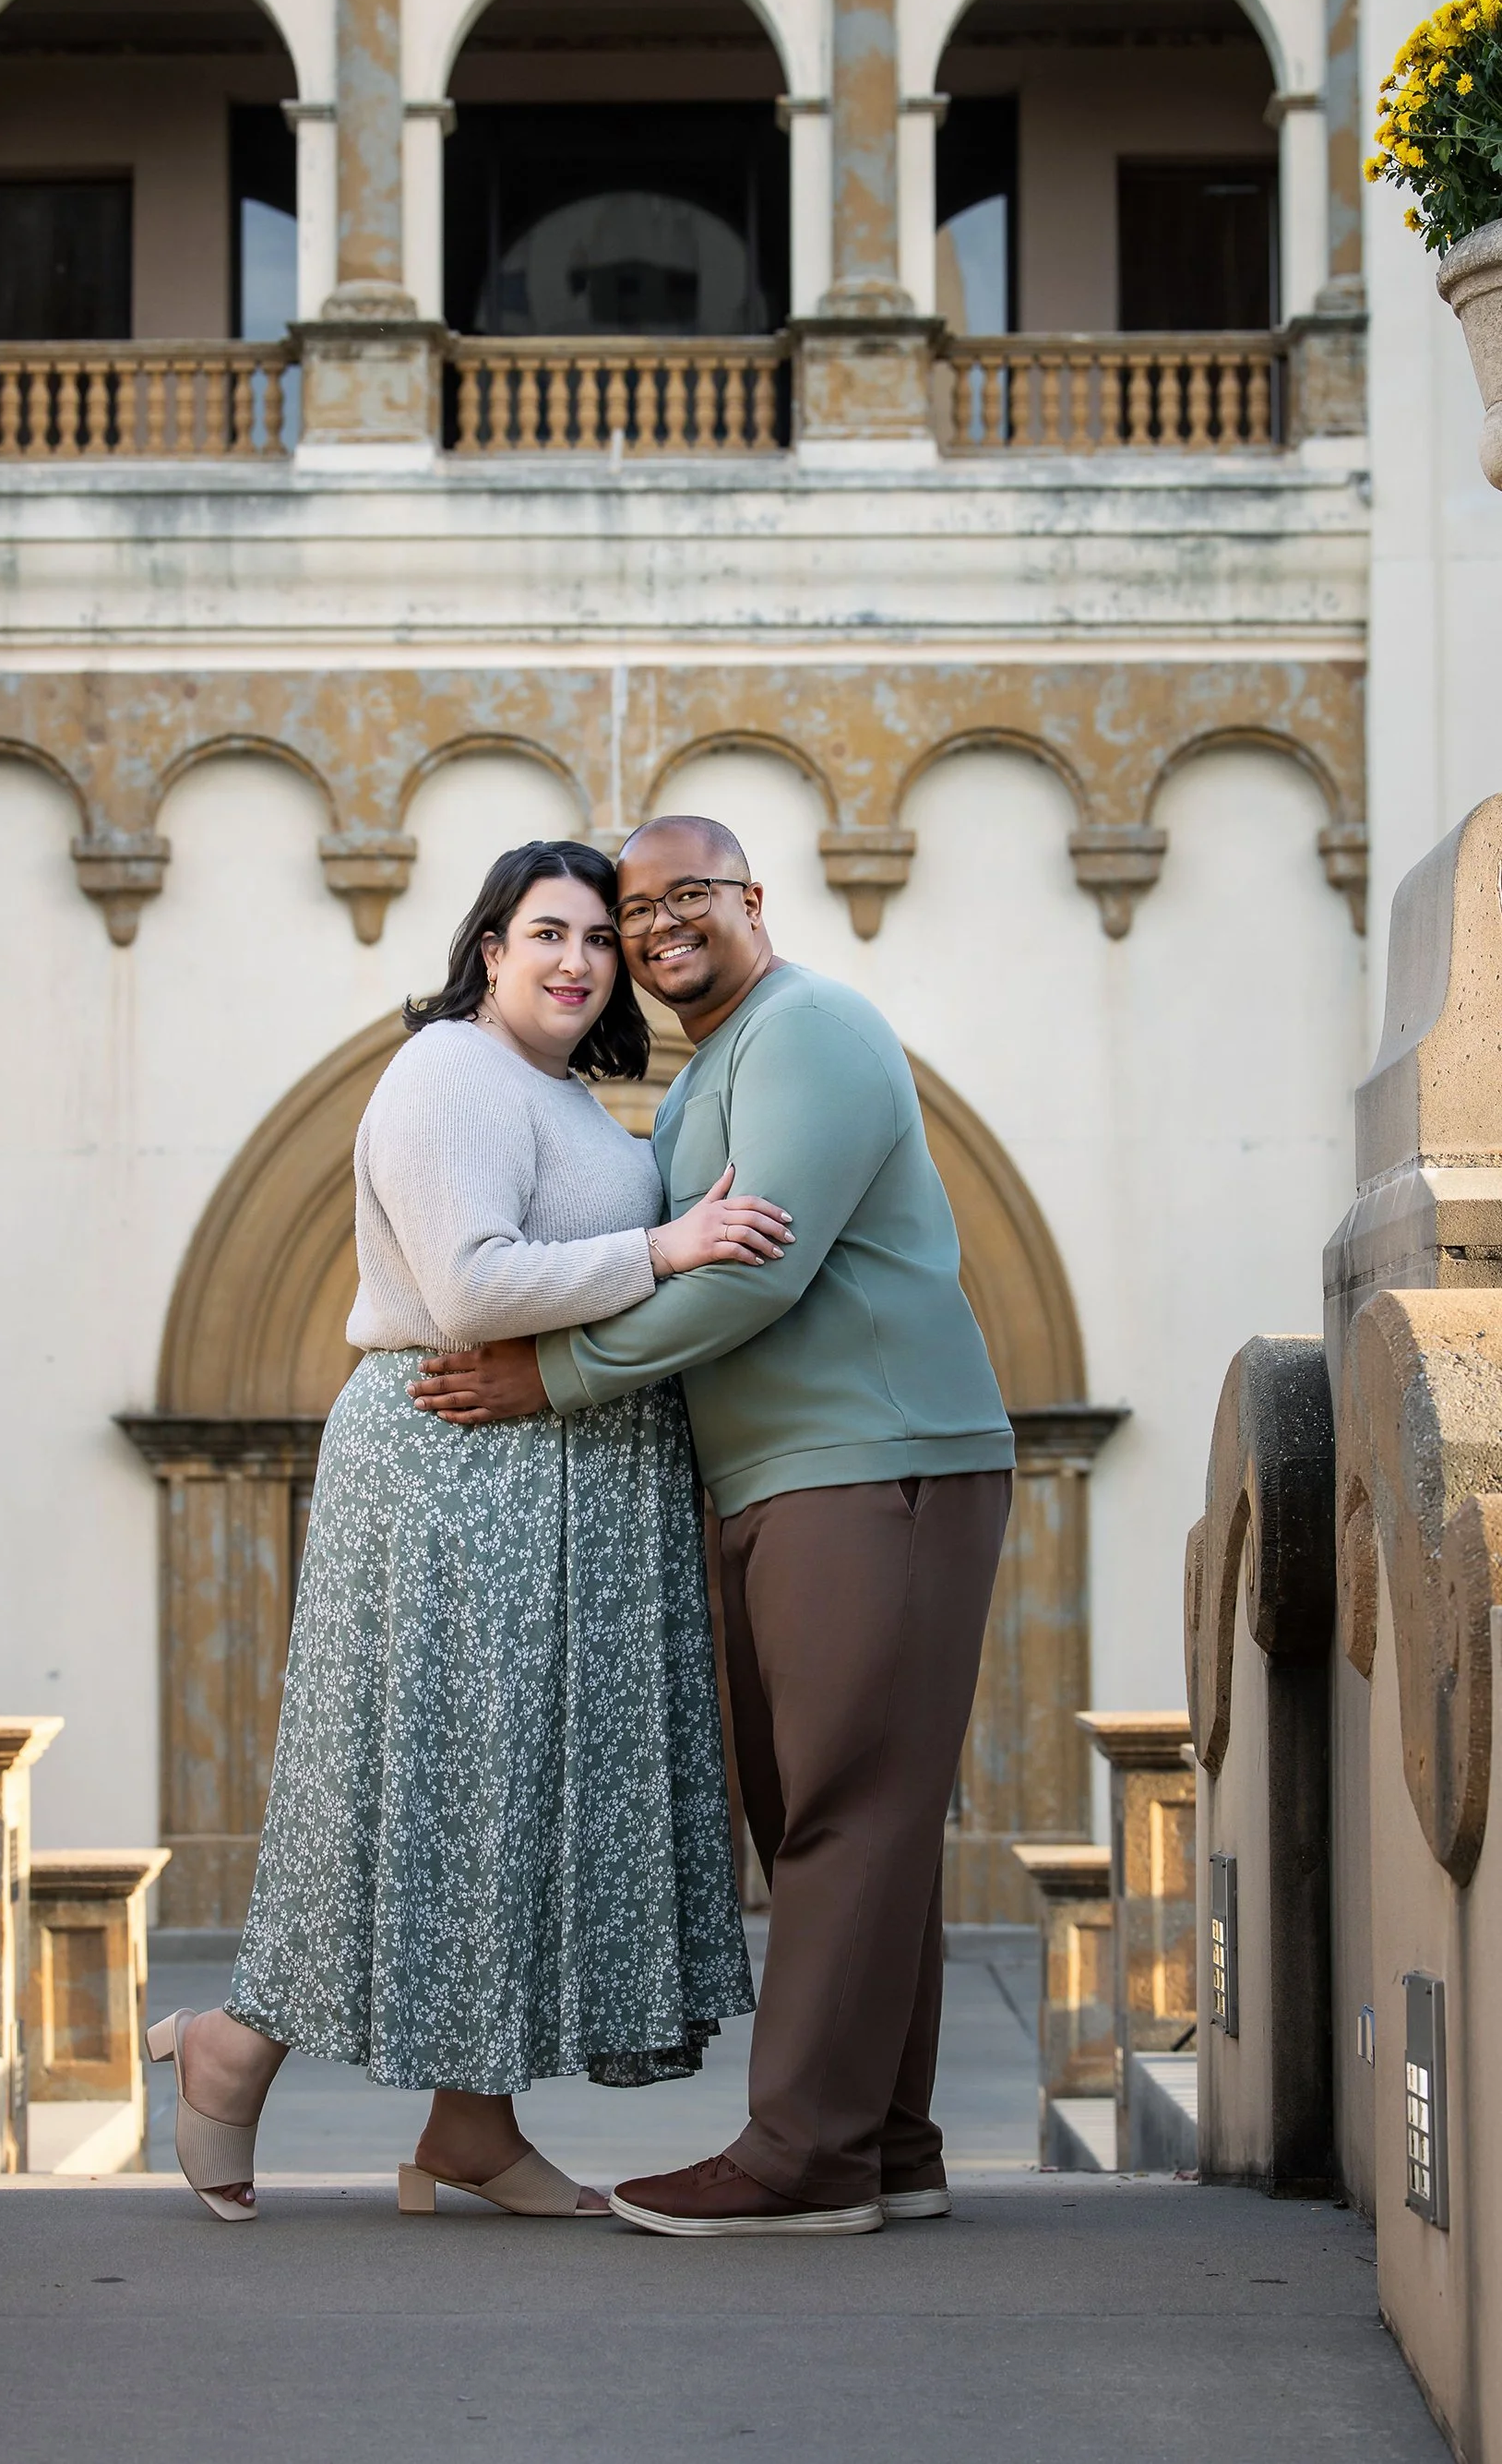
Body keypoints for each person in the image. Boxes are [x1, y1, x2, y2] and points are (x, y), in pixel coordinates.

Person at [149, 838, 781, 2222]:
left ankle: (473, 2126)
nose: (577, 959)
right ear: (487, 949)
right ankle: (232, 2045)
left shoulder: (559, 1095)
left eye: (599, 938)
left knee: (518, 1802)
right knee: (421, 1788)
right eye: (545, 930)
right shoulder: (449, 1070)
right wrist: (667, 1249)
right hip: (460, 1479)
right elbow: (473, 1284)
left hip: (564, 1482)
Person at [411, 814, 1015, 2236]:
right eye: (635, 910)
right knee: (839, 1817)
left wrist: (546, 1376)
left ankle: (801, 2154)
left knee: (845, 1813)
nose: (660, 925)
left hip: (875, 1461)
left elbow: (757, 1276)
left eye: (692, 893)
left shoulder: (810, 1030)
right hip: (775, 1479)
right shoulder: (700, 1085)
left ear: (755, 897)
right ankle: (887, 2142)